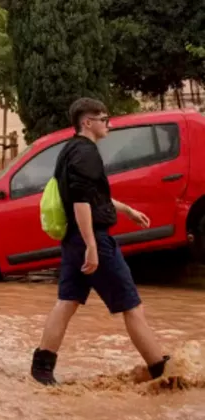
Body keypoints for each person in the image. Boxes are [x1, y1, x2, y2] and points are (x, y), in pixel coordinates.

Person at [31, 98, 170, 385]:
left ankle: (42, 368)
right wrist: (92, 246)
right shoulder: (87, 152)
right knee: (132, 306)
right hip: (91, 238)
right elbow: (81, 201)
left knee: (66, 302)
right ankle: (162, 371)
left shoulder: (68, 150)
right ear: (87, 122)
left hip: (73, 239)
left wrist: (127, 210)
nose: (109, 124)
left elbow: (91, 195)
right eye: (104, 118)